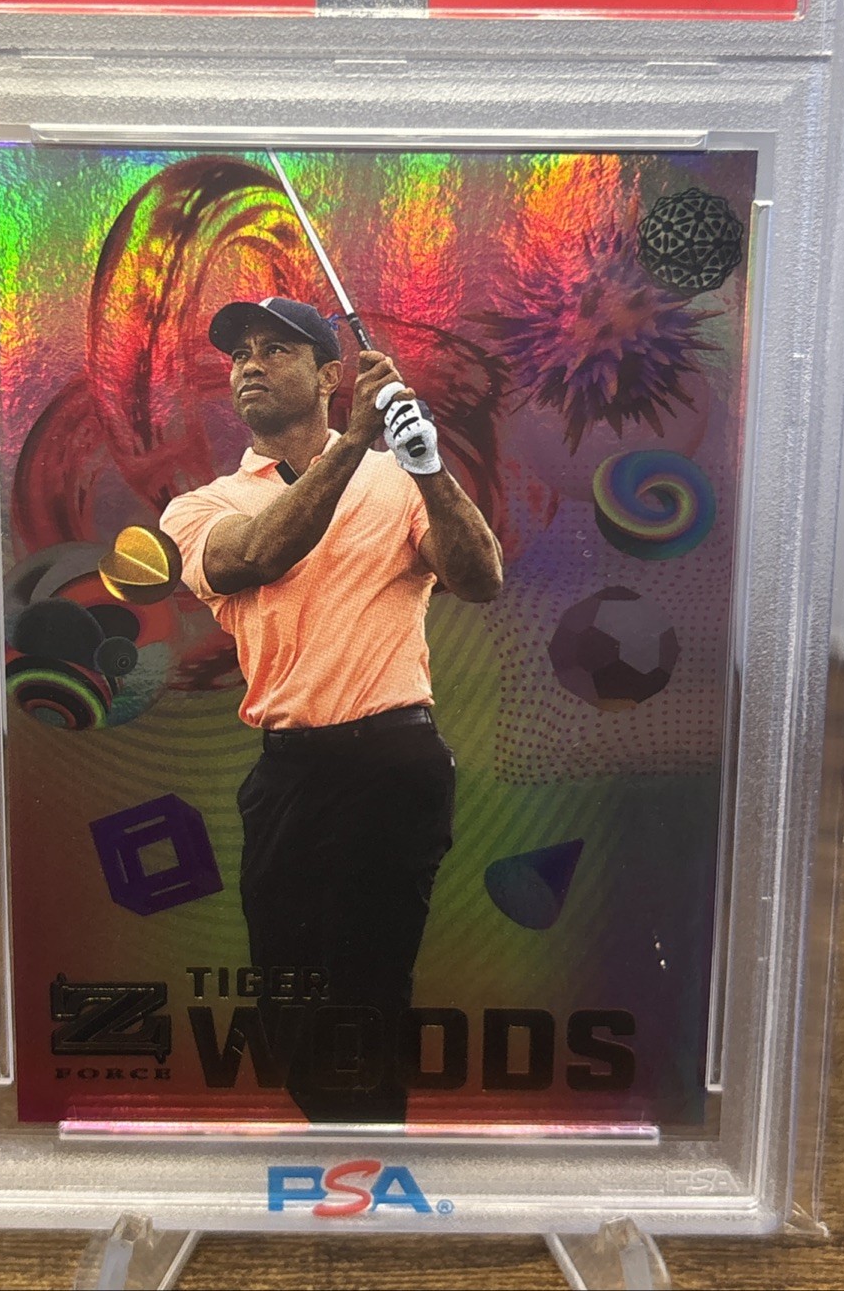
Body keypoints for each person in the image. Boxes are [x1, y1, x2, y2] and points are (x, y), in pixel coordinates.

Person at [159, 296, 502, 1122]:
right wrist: (355, 441)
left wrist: (427, 466)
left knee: (364, 987)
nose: (249, 364)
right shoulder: (200, 506)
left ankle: (367, 1159)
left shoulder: (400, 480)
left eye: (275, 348)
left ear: (327, 374)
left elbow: (479, 577)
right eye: (239, 353)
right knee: (290, 999)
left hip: (391, 761)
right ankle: (342, 1148)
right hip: (289, 771)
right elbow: (258, 553)